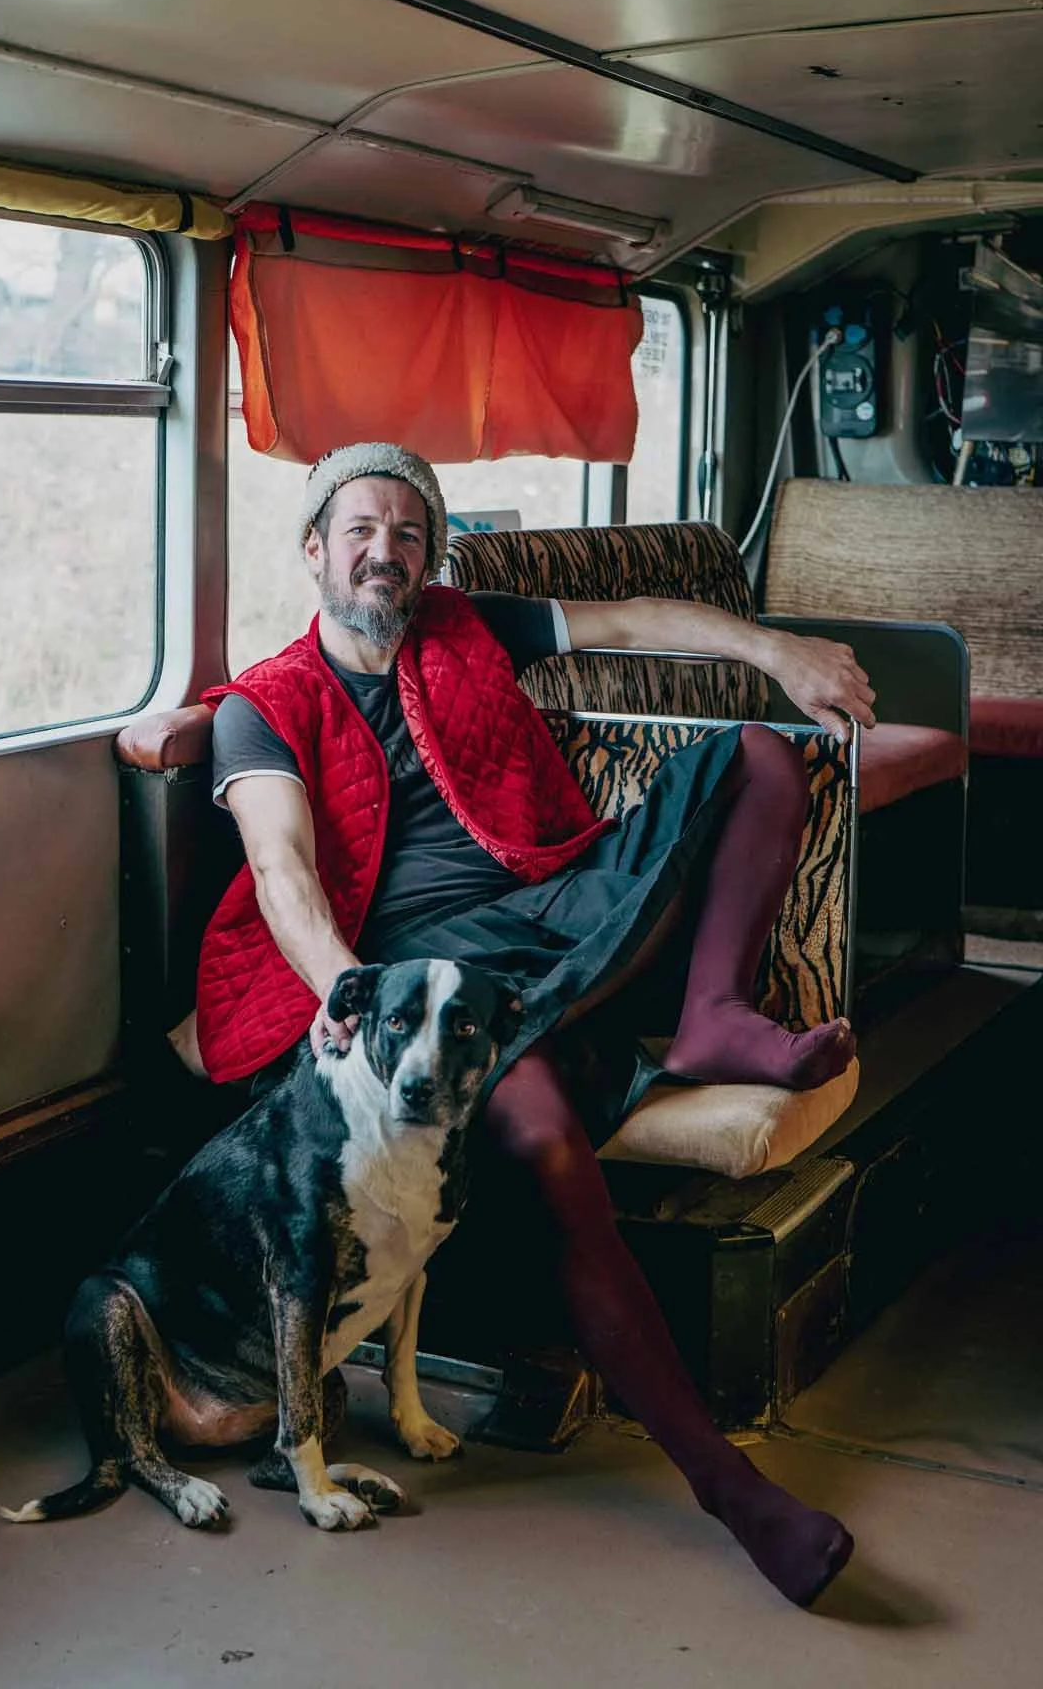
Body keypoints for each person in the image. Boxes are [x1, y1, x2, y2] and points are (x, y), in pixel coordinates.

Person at [196, 441, 876, 1606]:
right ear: (314, 550)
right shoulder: (264, 707)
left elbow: (639, 620)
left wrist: (776, 649)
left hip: (560, 902)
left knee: (757, 755)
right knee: (553, 1147)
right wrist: (356, 999)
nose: (385, 551)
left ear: (431, 557)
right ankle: (732, 1489)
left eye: (408, 534)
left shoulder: (469, 628)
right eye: (360, 530)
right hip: (444, 982)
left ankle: (711, 1012)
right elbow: (282, 873)